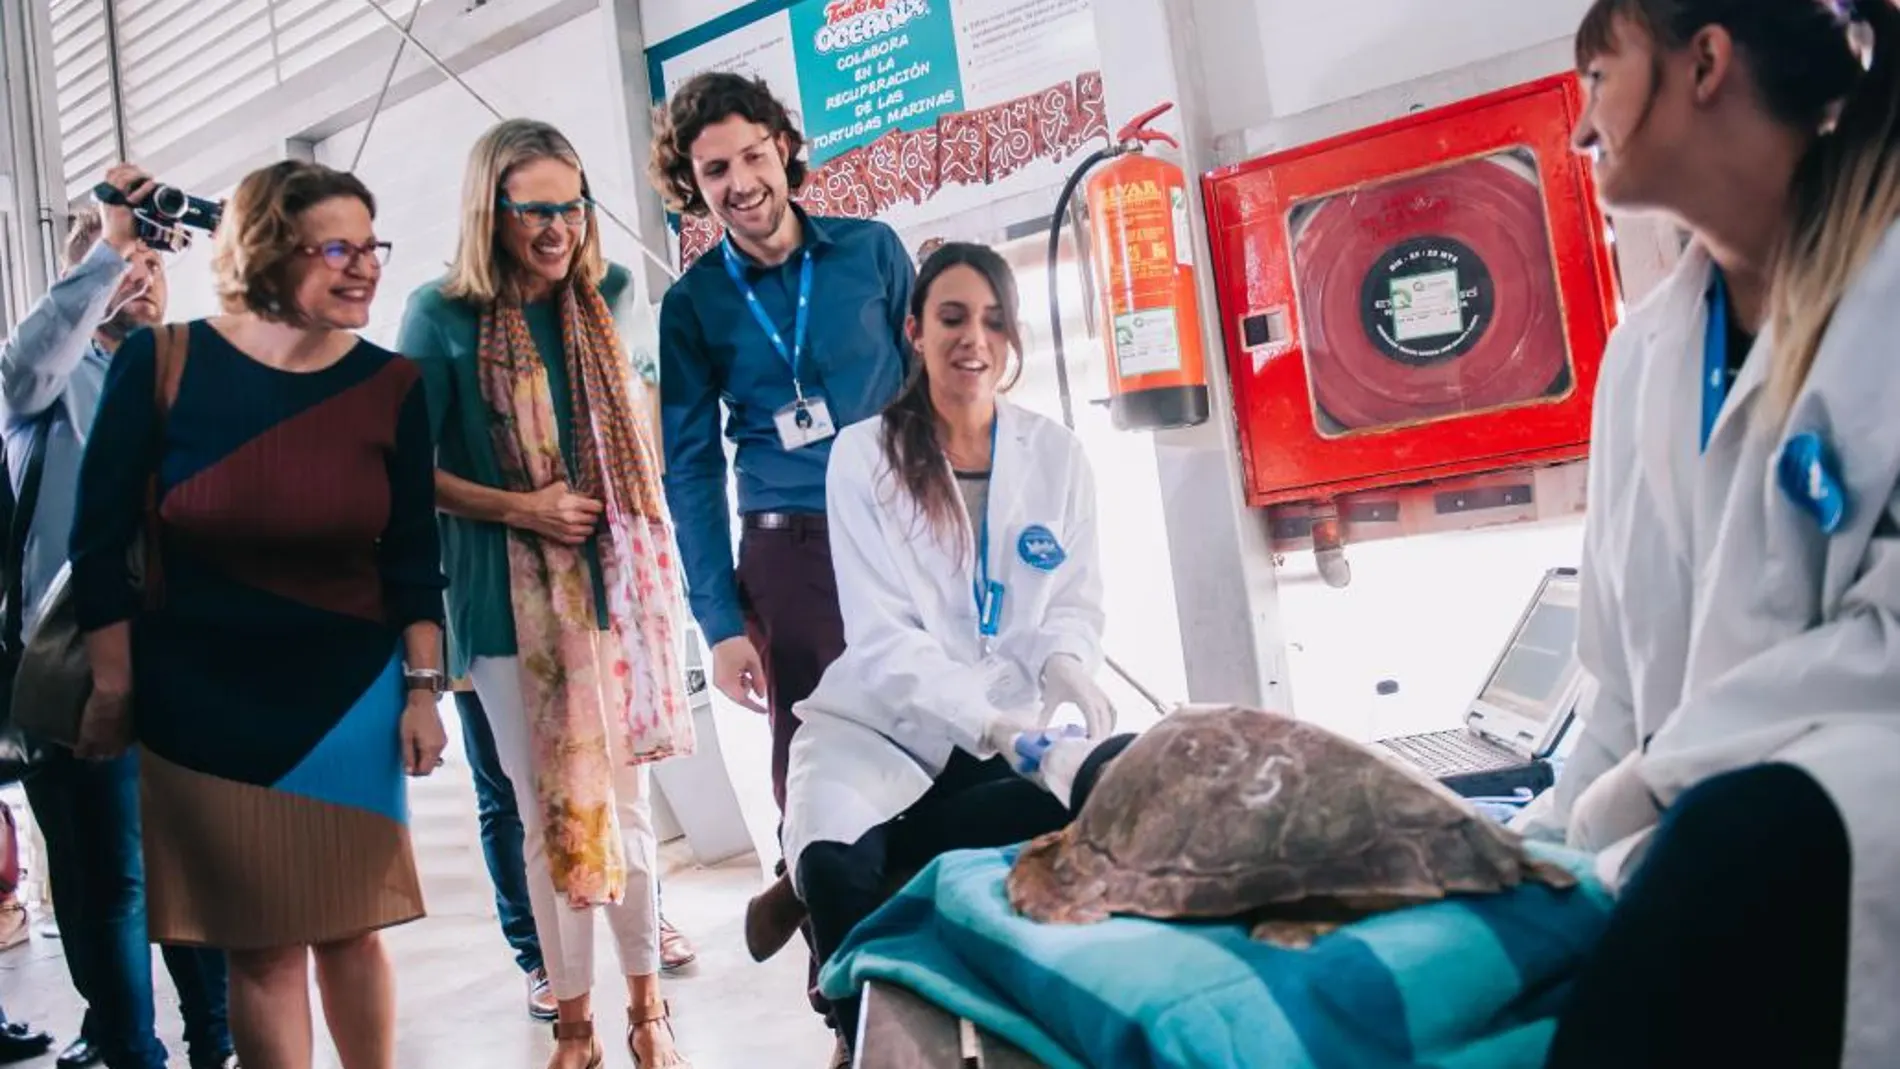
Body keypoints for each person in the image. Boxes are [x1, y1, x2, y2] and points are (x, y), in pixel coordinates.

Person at [1512, 2, 1900, 1066]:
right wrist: (1526, 853)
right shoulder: (1642, 357)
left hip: (1835, 861)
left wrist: (1645, 791)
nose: (1581, 129)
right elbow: (1617, 686)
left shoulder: (1886, 297)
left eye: (1598, 80)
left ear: (1705, 63)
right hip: (1670, 860)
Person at [67, 159, 449, 1069]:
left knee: (352, 928)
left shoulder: (391, 384)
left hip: (348, 699)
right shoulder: (160, 365)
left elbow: (409, 556)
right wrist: (116, 688)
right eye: (338, 248)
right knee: (261, 944)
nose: (364, 267)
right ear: (271, 253)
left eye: (371, 246)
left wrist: (424, 688)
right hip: (198, 707)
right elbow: (97, 541)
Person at [777, 243, 1121, 1058]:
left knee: (1106, 808)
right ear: (915, 332)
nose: (975, 339)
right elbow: (884, 637)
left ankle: (1015, 1019)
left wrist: (1067, 663)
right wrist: (993, 724)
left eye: (994, 321)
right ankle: (857, 1031)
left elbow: (1072, 599)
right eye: (953, 318)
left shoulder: (1058, 455)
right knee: (834, 868)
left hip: (1004, 733)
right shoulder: (864, 455)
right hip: (877, 729)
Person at [399, 117, 693, 1069]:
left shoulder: (609, 293)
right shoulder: (439, 315)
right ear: (494, 210)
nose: (560, 227)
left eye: (573, 205)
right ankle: (575, 1026)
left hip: (616, 591)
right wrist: (523, 507)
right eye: (537, 211)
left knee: (633, 806)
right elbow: (411, 472)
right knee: (547, 818)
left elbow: (642, 423)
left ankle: (649, 1013)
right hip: (501, 604)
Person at [646, 70, 916, 1039]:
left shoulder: (874, 252)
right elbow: (686, 470)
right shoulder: (695, 305)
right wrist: (718, 621)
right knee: (816, 764)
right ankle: (845, 987)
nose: (739, 182)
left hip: (902, 538)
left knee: (938, 742)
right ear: (692, 181)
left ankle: (939, 961)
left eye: (752, 156)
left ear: (785, 151)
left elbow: (937, 403)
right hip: (788, 553)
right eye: (714, 169)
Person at [0, 166, 236, 1069]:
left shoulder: (187, 377)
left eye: (149, 265)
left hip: (182, 667)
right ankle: (132, 1051)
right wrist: (107, 245)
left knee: (195, 878)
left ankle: (217, 1046)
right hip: (72, 674)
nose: (137, 278)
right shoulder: (43, 388)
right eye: (117, 268)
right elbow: (29, 357)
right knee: (111, 888)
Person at [449, 682, 697, 1023]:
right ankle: (538, 959)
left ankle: (647, 924)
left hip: (570, 634)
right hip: (476, 647)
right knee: (504, 798)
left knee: (609, 772)